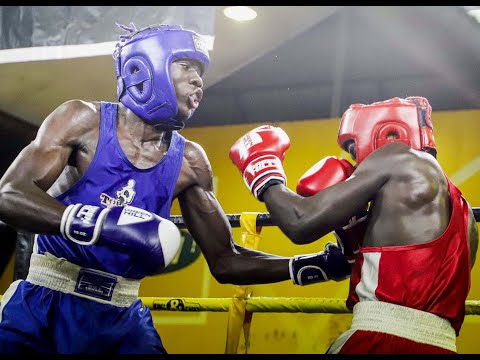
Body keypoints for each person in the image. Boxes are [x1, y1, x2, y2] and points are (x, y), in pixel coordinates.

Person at [0, 23, 352, 354]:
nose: (198, 81)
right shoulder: (82, 120)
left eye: (201, 73)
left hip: (122, 317)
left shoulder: (191, 162)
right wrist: (94, 222)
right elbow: (9, 194)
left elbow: (226, 261)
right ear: (145, 67)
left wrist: (309, 265)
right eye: (186, 65)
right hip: (45, 299)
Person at [229, 96, 479, 354]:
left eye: (353, 149)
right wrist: (356, 241)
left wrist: (265, 173)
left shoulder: (396, 156)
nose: (356, 163)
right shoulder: (464, 214)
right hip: (442, 346)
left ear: (389, 135)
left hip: (380, 341)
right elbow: (413, 277)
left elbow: (300, 223)